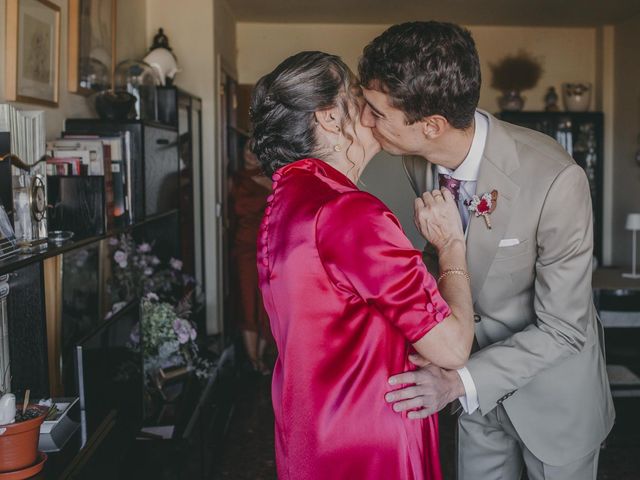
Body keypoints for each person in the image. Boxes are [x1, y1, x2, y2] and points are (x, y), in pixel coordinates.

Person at [358, 21, 615, 480]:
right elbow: (451, 261)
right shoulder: (418, 160)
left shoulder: (556, 180)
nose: (365, 121)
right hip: (474, 398)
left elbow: (565, 330)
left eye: (377, 112)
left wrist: (458, 380)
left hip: (553, 401)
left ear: (432, 125)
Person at [250, 51, 474, 479]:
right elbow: (452, 347)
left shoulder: (285, 202)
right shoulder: (347, 212)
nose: (372, 108)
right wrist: (450, 247)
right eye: (359, 96)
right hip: (370, 441)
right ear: (330, 117)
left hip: (311, 432)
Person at [230, 140, 273, 374]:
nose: (251, 154)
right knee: (247, 300)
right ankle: (253, 357)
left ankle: (263, 353)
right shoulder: (234, 180)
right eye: (247, 148)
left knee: (265, 302)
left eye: (256, 150)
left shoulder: (274, 179)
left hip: (269, 249)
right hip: (244, 248)